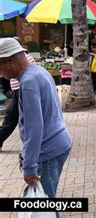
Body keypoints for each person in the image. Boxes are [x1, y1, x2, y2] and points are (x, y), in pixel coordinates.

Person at [0, 38, 72, 198]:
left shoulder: (28, 83)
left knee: (42, 205)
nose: (1, 73)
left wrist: (29, 166)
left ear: (9, 61)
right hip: (58, 143)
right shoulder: (38, 71)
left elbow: (34, 127)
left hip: (47, 151)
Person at [0, 38, 35, 152]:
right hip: (17, 90)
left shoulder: (28, 82)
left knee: (11, 117)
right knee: (14, 117)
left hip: (20, 90)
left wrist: (28, 159)